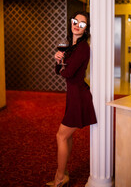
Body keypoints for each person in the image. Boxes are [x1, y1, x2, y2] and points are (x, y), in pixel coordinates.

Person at [46, 11, 97, 187]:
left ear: (86, 29)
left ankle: (60, 177)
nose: (77, 25)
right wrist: (58, 59)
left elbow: (68, 73)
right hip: (73, 94)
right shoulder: (72, 45)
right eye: (75, 21)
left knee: (60, 136)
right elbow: (59, 70)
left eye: (82, 24)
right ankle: (64, 173)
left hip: (78, 96)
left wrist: (61, 65)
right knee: (66, 137)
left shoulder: (83, 48)